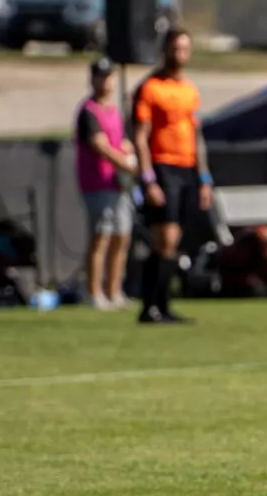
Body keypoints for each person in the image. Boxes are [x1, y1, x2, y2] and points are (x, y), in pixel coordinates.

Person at [131, 26, 209, 325]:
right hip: (162, 167)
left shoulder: (189, 90)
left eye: (185, 49)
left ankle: (160, 305)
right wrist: (147, 177)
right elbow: (140, 136)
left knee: (174, 242)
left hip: (186, 167)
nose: (180, 54)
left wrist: (204, 178)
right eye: (175, 48)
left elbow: (196, 135)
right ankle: (151, 305)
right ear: (165, 50)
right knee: (164, 239)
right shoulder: (150, 88)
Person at [75, 57, 137, 310]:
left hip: (118, 184)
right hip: (96, 182)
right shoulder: (88, 112)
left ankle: (115, 291)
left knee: (122, 236)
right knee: (101, 236)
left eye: (109, 76)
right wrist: (126, 163)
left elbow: (119, 141)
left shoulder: (114, 111)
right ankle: (94, 293)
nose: (105, 81)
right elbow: (99, 145)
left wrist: (127, 150)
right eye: (100, 76)